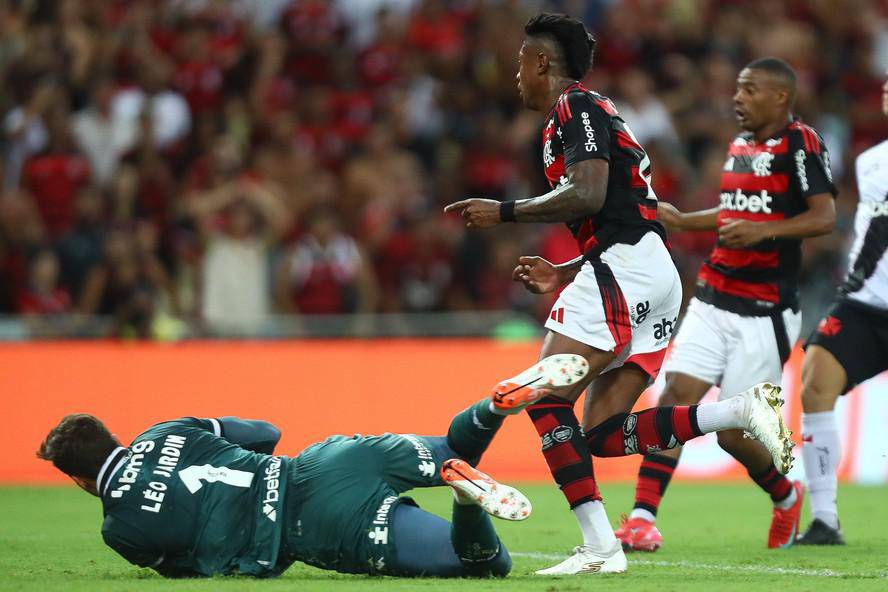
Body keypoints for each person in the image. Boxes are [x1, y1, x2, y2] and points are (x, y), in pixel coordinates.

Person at [444, 13, 793, 575]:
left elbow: (587, 193)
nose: (515, 76)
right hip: (644, 271)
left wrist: (504, 211)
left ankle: (601, 549)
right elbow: (619, 211)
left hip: (626, 271)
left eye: (518, 64)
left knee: (545, 397)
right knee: (602, 434)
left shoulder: (575, 108)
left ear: (540, 63)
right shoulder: (590, 112)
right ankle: (738, 411)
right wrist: (567, 270)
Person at [36, 356, 591, 579]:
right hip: (325, 462)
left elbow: (189, 571)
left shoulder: (121, 530)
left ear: (79, 480)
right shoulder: (165, 431)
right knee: (452, 449)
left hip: (312, 527)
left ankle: (466, 500)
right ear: (113, 435)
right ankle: (494, 405)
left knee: (485, 568)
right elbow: (266, 435)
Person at [615, 58, 837, 552]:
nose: (738, 98)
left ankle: (786, 496)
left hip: (764, 312)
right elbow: (736, 212)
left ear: (780, 97)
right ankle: (641, 519)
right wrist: (685, 220)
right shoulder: (740, 146)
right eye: (737, 89)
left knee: (734, 435)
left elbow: (823, 217)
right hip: (713, 297)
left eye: (750, 90)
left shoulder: (801, 143)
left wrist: (765, 231)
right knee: (673, 398)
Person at [795, 75, 888, 545]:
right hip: (867, 304)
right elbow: (873, 225)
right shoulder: (872, 160)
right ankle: (825, 519)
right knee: (814, 384)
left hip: (861, 289)